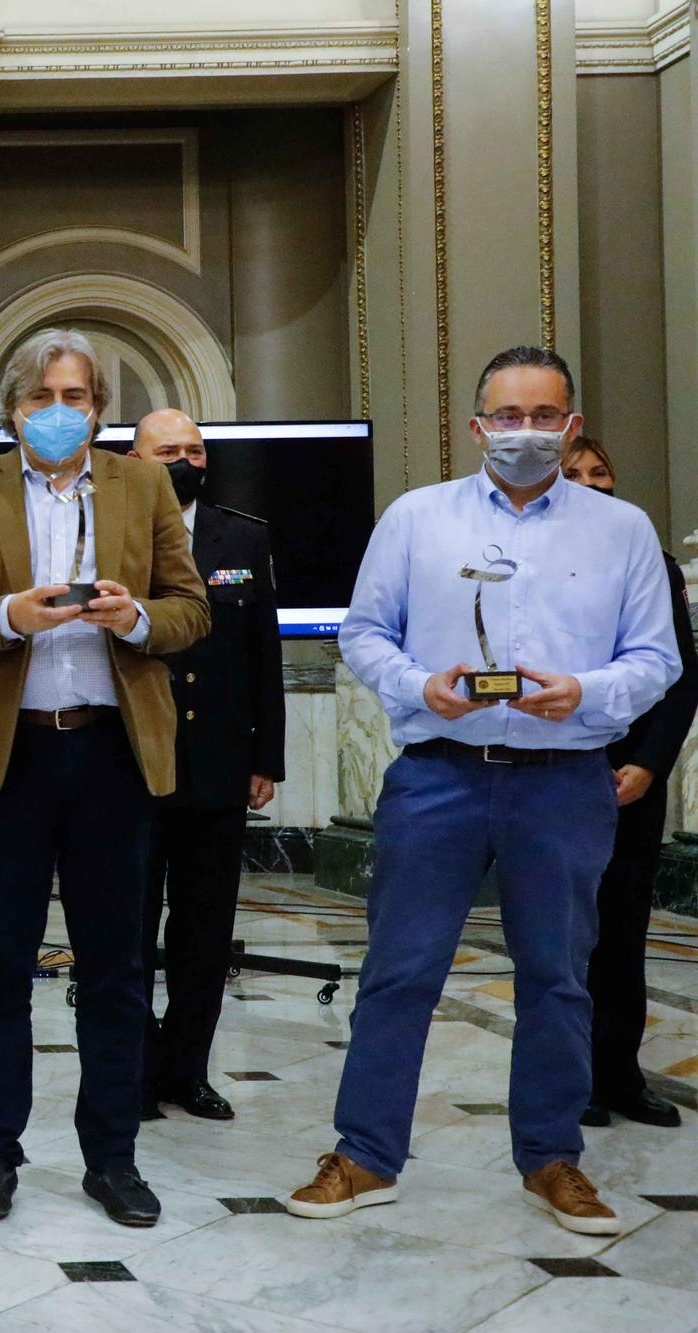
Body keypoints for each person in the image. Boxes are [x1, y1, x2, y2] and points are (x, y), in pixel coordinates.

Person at [285, 347, 679, 1236]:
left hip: (564, 781)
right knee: (400, 970)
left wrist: (587, 694)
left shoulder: (621, 532)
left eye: (545, 417)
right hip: (440, 777)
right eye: (508, 416)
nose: (526, 433)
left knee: (558, 977)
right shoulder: (417, 519)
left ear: (571, 425)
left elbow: (656, 659)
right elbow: (363, 632)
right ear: (477, 426)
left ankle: (552, 1158)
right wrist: (419, 684)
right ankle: (364, 1153)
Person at [0, 328, 210, 1227]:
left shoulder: (143, 484)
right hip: (12, 755)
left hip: (113, 752)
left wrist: (131, 619)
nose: (56, 413)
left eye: (74, 397)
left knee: (116, 966)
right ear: (11, 412)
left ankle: (112, 1156)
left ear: (99, 410)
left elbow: (191, 610)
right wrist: (10, 612)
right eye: (38, 399)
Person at [127, 411, 284, 1122]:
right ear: (136, 458)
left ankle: (187, 1069)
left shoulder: (243, 535)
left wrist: (266, 758)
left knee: (204, 931)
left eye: (193, 449)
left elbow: (263, 656)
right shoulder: (108, 531)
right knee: (127, 928)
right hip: (132, 763)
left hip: (219, 766)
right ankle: (132, 1068)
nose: (183, 460)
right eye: (168, 450)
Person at [562, 437, 698, 1129]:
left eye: (601, 472)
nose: (592, 483)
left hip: (633, 778)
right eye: (575, 474)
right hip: (558, 773)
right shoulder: (531, 567)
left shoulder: (655, 564)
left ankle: (620, 1073)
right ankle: (572, 1077)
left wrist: (649, 762)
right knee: (566, 934)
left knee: (624, 932)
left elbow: (680, 677)